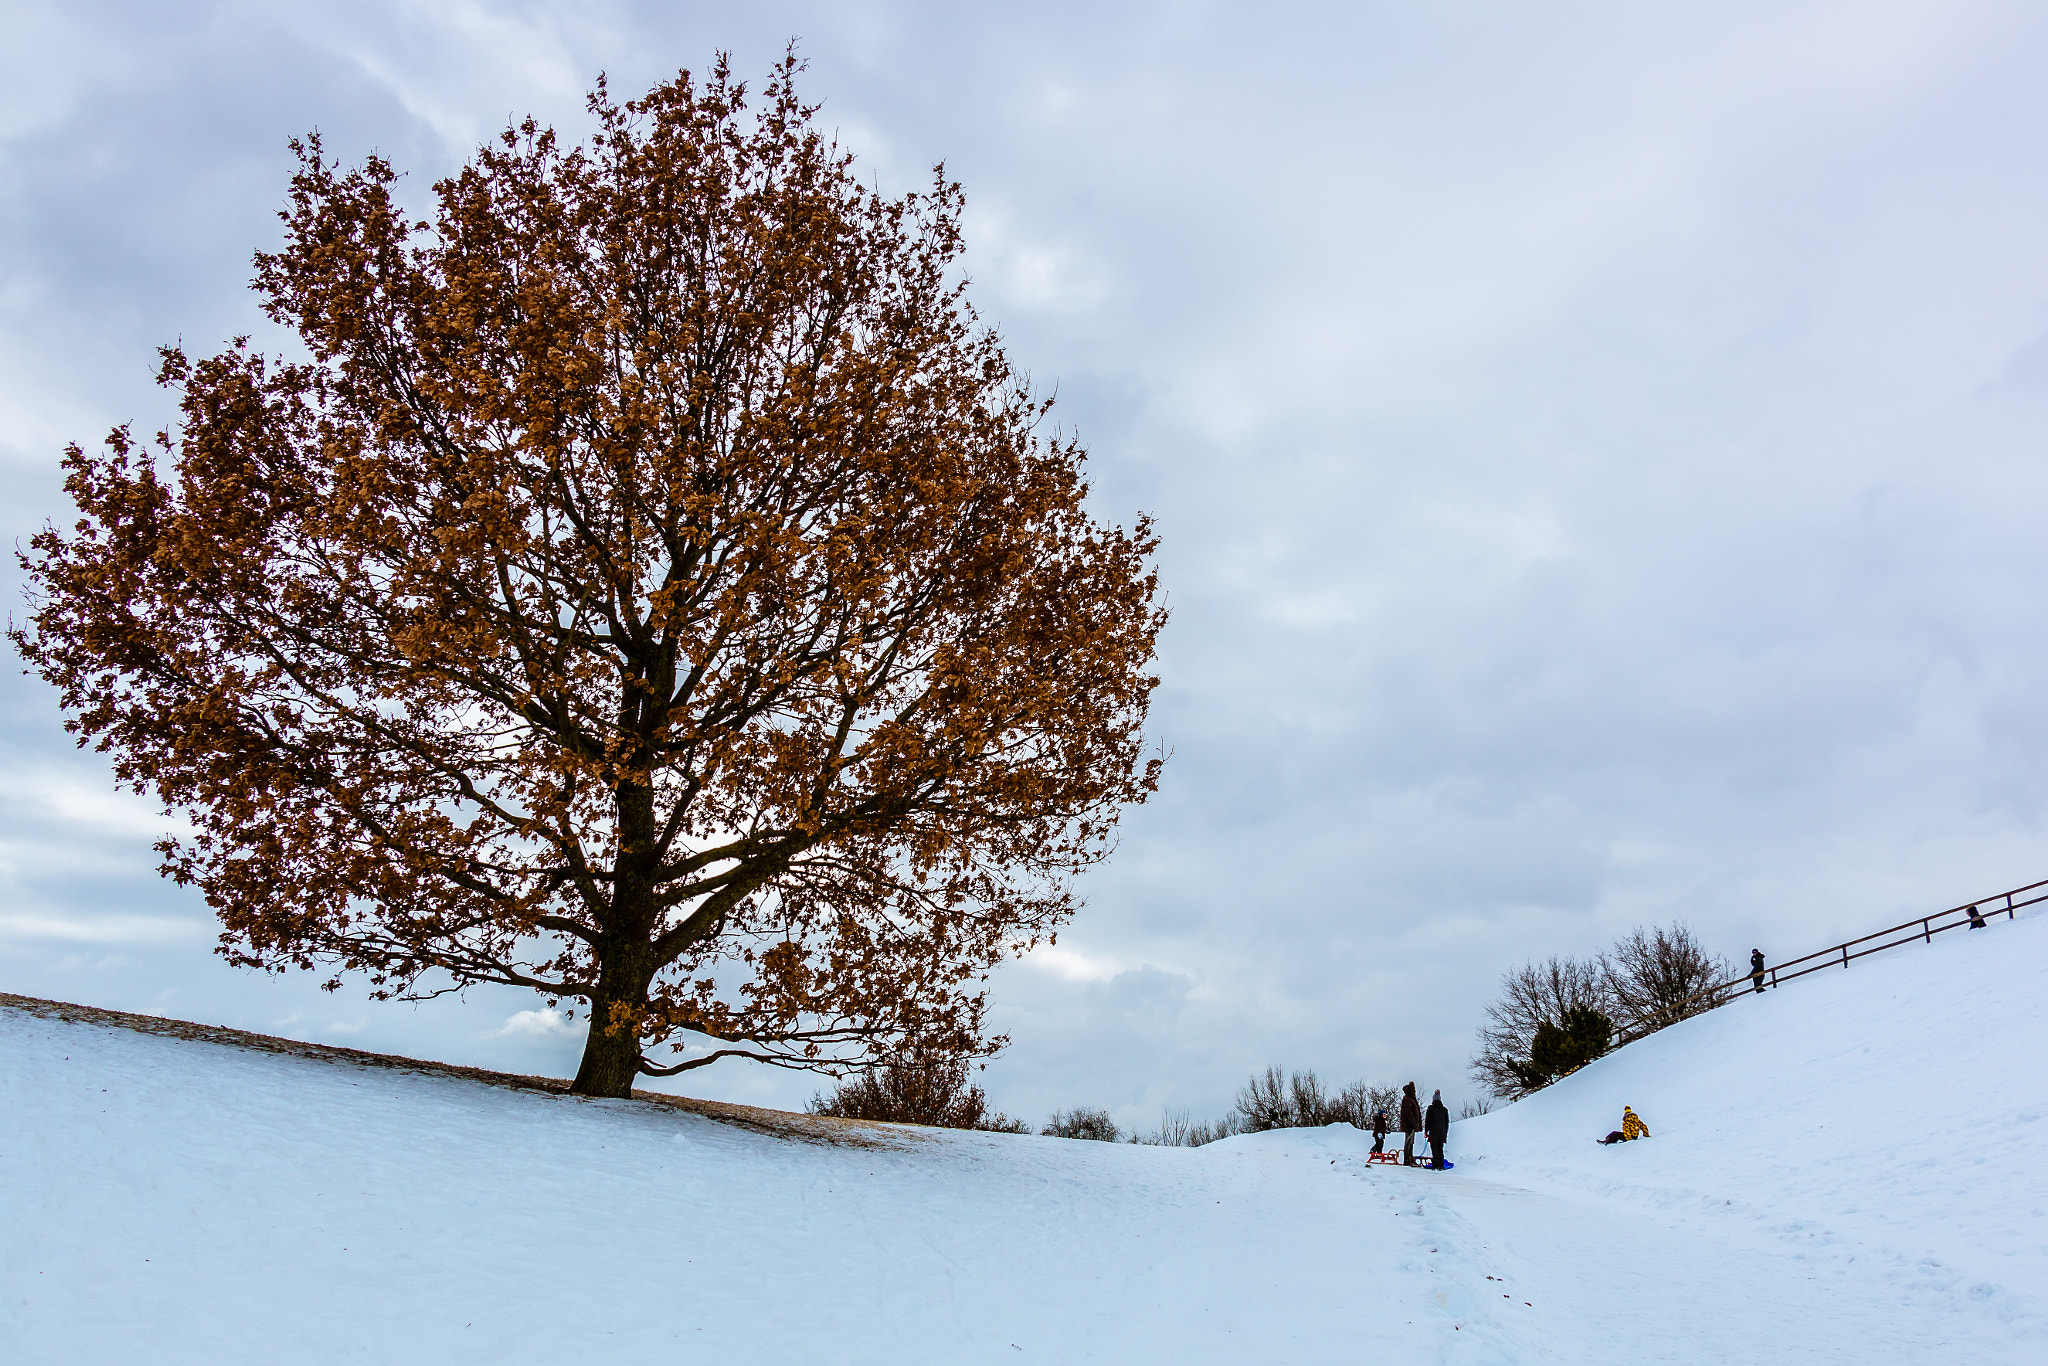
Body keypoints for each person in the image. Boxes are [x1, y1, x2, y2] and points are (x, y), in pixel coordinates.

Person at [1424, 1089, 1450, 1170]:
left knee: (1434, 1149)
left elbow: (1428, 1120)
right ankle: (1441, 1166)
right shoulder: (1445, 1110)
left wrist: (1426, 1130)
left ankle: (1435, 1165)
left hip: (1434, 1132)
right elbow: (1447, 1122)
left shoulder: (1431, 1108)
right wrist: (1445, 1132)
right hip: (1442, 1132)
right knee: (1440, 1149)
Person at [1399, 1082, 1422, 1166]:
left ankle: (1410, 1158)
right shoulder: (1407, 1099)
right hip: (1409, 1125)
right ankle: (1406, 1160)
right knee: (1408, 1142)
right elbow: (1408, 1112)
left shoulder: (1411, 1099)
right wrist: (1413, 1123)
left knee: (1411, 1142)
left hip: (1412, 1125)